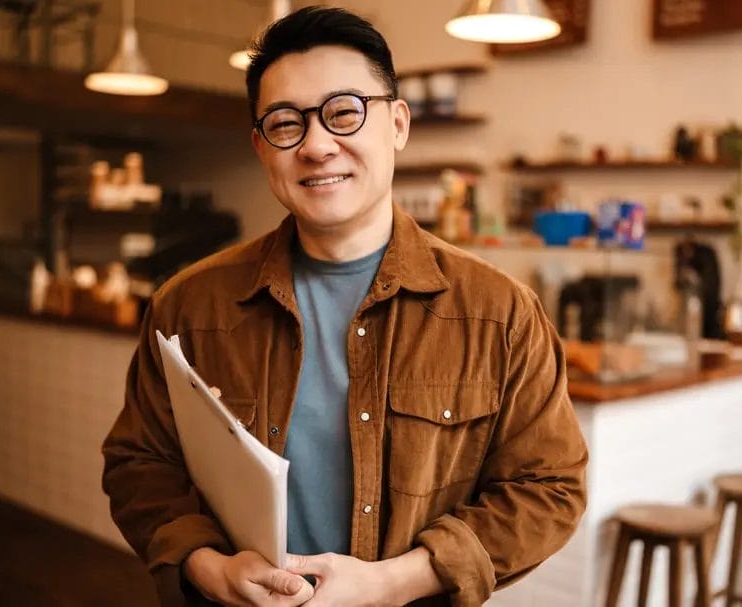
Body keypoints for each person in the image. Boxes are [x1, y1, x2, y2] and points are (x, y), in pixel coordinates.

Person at [101, 7, 588, 607]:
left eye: (344, 112)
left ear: (398, 124)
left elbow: (550, 486)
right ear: (261, 146)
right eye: (286, 123)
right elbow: (137, 464)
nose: (317, 145)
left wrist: (398, 580)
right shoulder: (189, 306)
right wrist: (208, 567)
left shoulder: (500, 314)